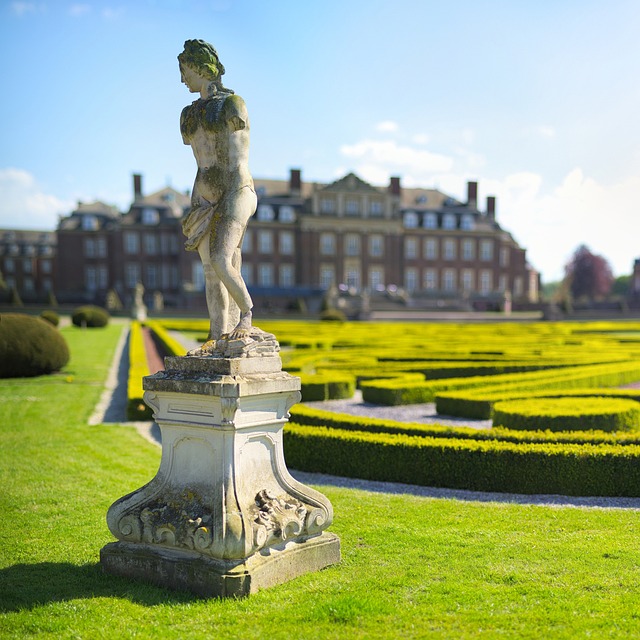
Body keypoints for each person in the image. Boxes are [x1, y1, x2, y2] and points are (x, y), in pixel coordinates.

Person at [178, 39, 257, 355]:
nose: (183, 79)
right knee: (211, 271)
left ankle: (247, 316)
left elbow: (234, 158)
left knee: (224, 260)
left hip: (236, 191)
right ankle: (216, 335)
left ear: (200, 68)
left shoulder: (232, 105)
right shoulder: (188, 114)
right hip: (203, 198)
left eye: (185, 71)